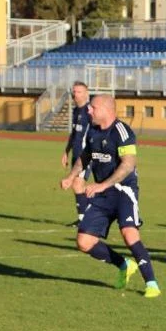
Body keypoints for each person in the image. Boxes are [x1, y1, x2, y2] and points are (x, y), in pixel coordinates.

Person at [59, 94, 161, 298]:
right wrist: (71, 176)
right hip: (102, 194)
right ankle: (124, 264)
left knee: (129, 233)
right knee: (84, 242)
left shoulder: (123, 132)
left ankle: (151, 284)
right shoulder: (93, 131)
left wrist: (101, 185)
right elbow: (85, 156)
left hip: (123, 192)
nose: (88, 110)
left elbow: (128, 164)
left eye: (92, 108)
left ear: (105, 109)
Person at [60, 81, 92, 224]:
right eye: (74, 91)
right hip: (76, 154)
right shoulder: (76, 111)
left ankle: (84, 218)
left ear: (86, 93)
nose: (75, 94)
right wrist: (66, 151)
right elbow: (74, 134)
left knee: (77, 184)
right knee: (78, 185)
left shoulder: (90, 111)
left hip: (86, 156)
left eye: (79, 92)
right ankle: (84, 217)